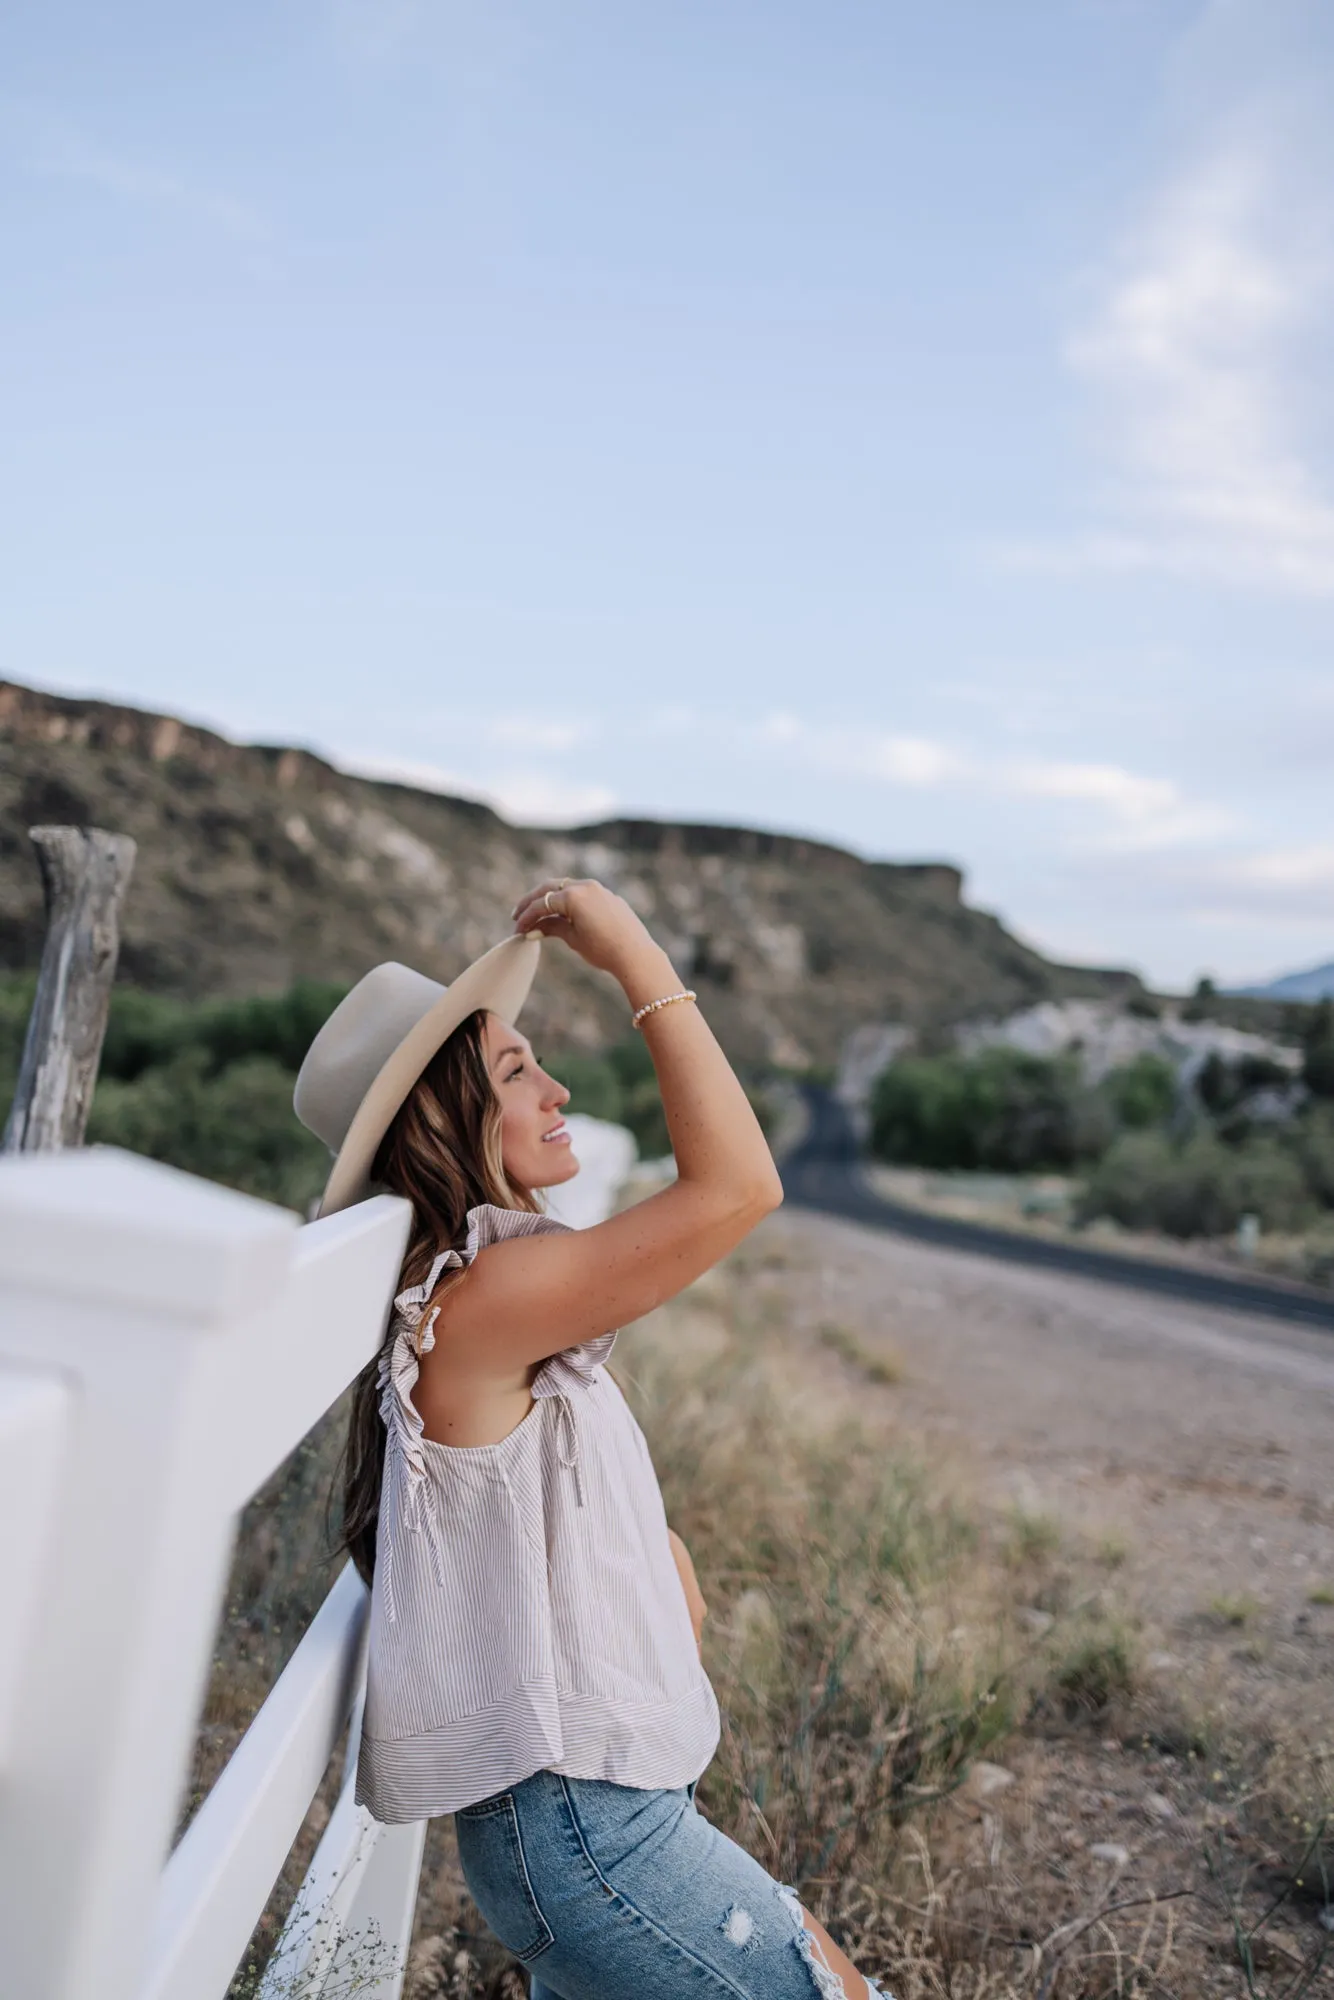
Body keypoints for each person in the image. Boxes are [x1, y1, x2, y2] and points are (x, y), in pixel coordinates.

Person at [294, 877, 891, 2000]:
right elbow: (739, 1184)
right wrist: (634, 957)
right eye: (519, 1071)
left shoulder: (488, 1289)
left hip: (595, 1815)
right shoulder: (484, 1297)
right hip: (584, 1830)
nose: (556, 1087)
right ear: (442, 1115)